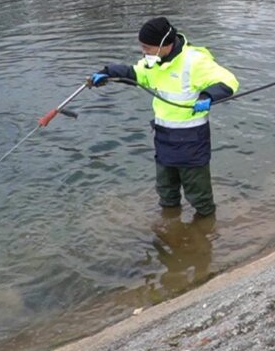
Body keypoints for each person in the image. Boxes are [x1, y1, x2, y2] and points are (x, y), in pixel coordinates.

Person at [88, 17, 238, 216]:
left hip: (192, 141)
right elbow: (137, 74)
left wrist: (208, 96)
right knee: (166, 192)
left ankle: (206, 228)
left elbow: (228, 81)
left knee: (198, 195)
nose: (144, 52)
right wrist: (108, 72)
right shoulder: (154, 62)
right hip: (163, 137)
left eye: (147, 47)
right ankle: (169, 223)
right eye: (142, 47)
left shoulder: (194, 61)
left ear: (164, 45)